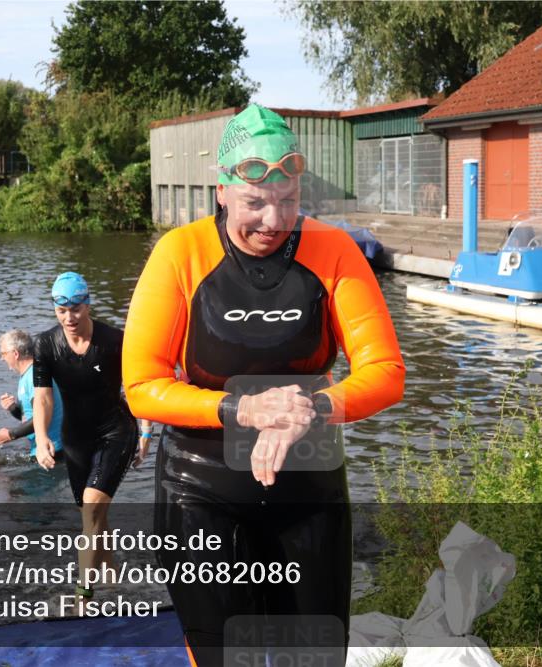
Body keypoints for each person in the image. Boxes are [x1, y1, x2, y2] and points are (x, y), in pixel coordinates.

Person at [122, 104, 405, 665]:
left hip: (309, 490)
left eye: (289, 201)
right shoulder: (179, 254)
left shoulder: (335, 250)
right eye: (255, 203)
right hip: (202, 491)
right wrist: (241, 411)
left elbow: (386, 372)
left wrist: (314, 408)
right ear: (222, 190)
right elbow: (142, 385)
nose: (274, 222)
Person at [33, 271, 152, 598]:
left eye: (76, 309)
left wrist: (145, 433)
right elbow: (42, 396)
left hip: (116, 431)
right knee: (96, 517)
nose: (69, 318)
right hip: (76, 439)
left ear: (88, 304)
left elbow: (137, 388)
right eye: (61, 311)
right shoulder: (45, 344)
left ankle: (83, 595)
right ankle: (115, 584)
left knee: (91, 509)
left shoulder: (115, 340)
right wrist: (42, 436)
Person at [0, 329, 65, 460]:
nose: (2, 358)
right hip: (45, 448)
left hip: (52, 450)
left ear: (15, 353)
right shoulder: (29, 374)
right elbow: (31, 415)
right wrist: (13, 408)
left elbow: (43, 415)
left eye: (3, 353)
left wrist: (11, 434)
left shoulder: (34, 376)